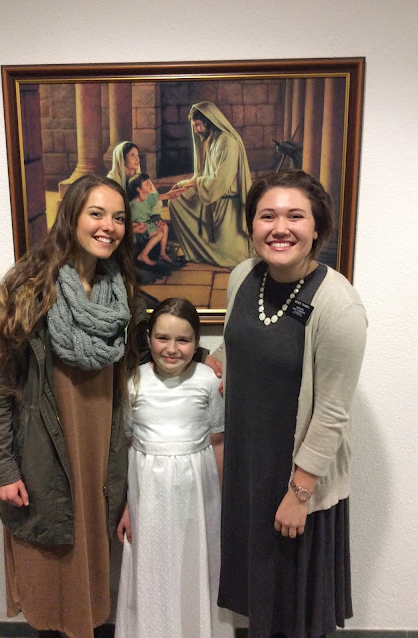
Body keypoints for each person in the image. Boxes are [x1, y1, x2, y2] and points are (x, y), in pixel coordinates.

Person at [0, 174, 140, 638]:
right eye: (97, 213)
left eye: (119, 217)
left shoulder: (121, 294)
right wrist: (3, 469)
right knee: (50, 586)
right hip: (43, 463)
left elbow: (144, 357)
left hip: (101, 461)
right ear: (70, 217)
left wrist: (207, 358)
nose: (109, 226)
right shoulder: (27, 291)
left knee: (92, 587)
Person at [214, 170, 367, 638]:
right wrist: (212, 364)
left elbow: (333, 413)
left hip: (296, 479)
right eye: (267, 216)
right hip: (247, 468)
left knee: (294, 609)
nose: (280, 228)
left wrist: (300, 494)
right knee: (256, 598)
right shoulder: (243, 277)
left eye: (295, 216)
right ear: (251, 225)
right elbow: (237, 343)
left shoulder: (339, 305)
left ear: (317, 227)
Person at [115, 298, 234, 638]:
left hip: (198, 493)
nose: (171, 349)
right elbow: (127, 445)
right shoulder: (133, 382)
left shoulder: (209, 381)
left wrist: (222, 501)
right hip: (147, 496)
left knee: (194, 565)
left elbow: (218, 442)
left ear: (197, 343)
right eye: (162, 338)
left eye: (183, 340)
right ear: (148, 338)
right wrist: (127, 505)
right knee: (152, 567)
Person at [168, 101, 252, 268]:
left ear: (209, 122)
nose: (196, 130)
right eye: (194, 126)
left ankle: (208, 252)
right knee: (176, 202)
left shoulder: (228, 143)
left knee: (230, 256)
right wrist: (183, 184)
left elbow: (219, 181)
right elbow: (205, 175)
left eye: (198, 125)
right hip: (213, 198)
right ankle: (195, 251)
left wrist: (196, 183)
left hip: (227, 207)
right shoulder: (213, 140)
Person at [128, 173, 185, 266]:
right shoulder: (133, 206)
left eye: (149, 182)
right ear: (139, 189)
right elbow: (126, 224)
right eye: (146, 183)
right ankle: (143, 255)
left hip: (145, 226)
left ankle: (162, 254)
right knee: (160, 233)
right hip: (137, 233)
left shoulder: (149, 198)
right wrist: (137, 225)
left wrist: (183, 189)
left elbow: (167, 195)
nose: (150, 185)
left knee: (164, 226)